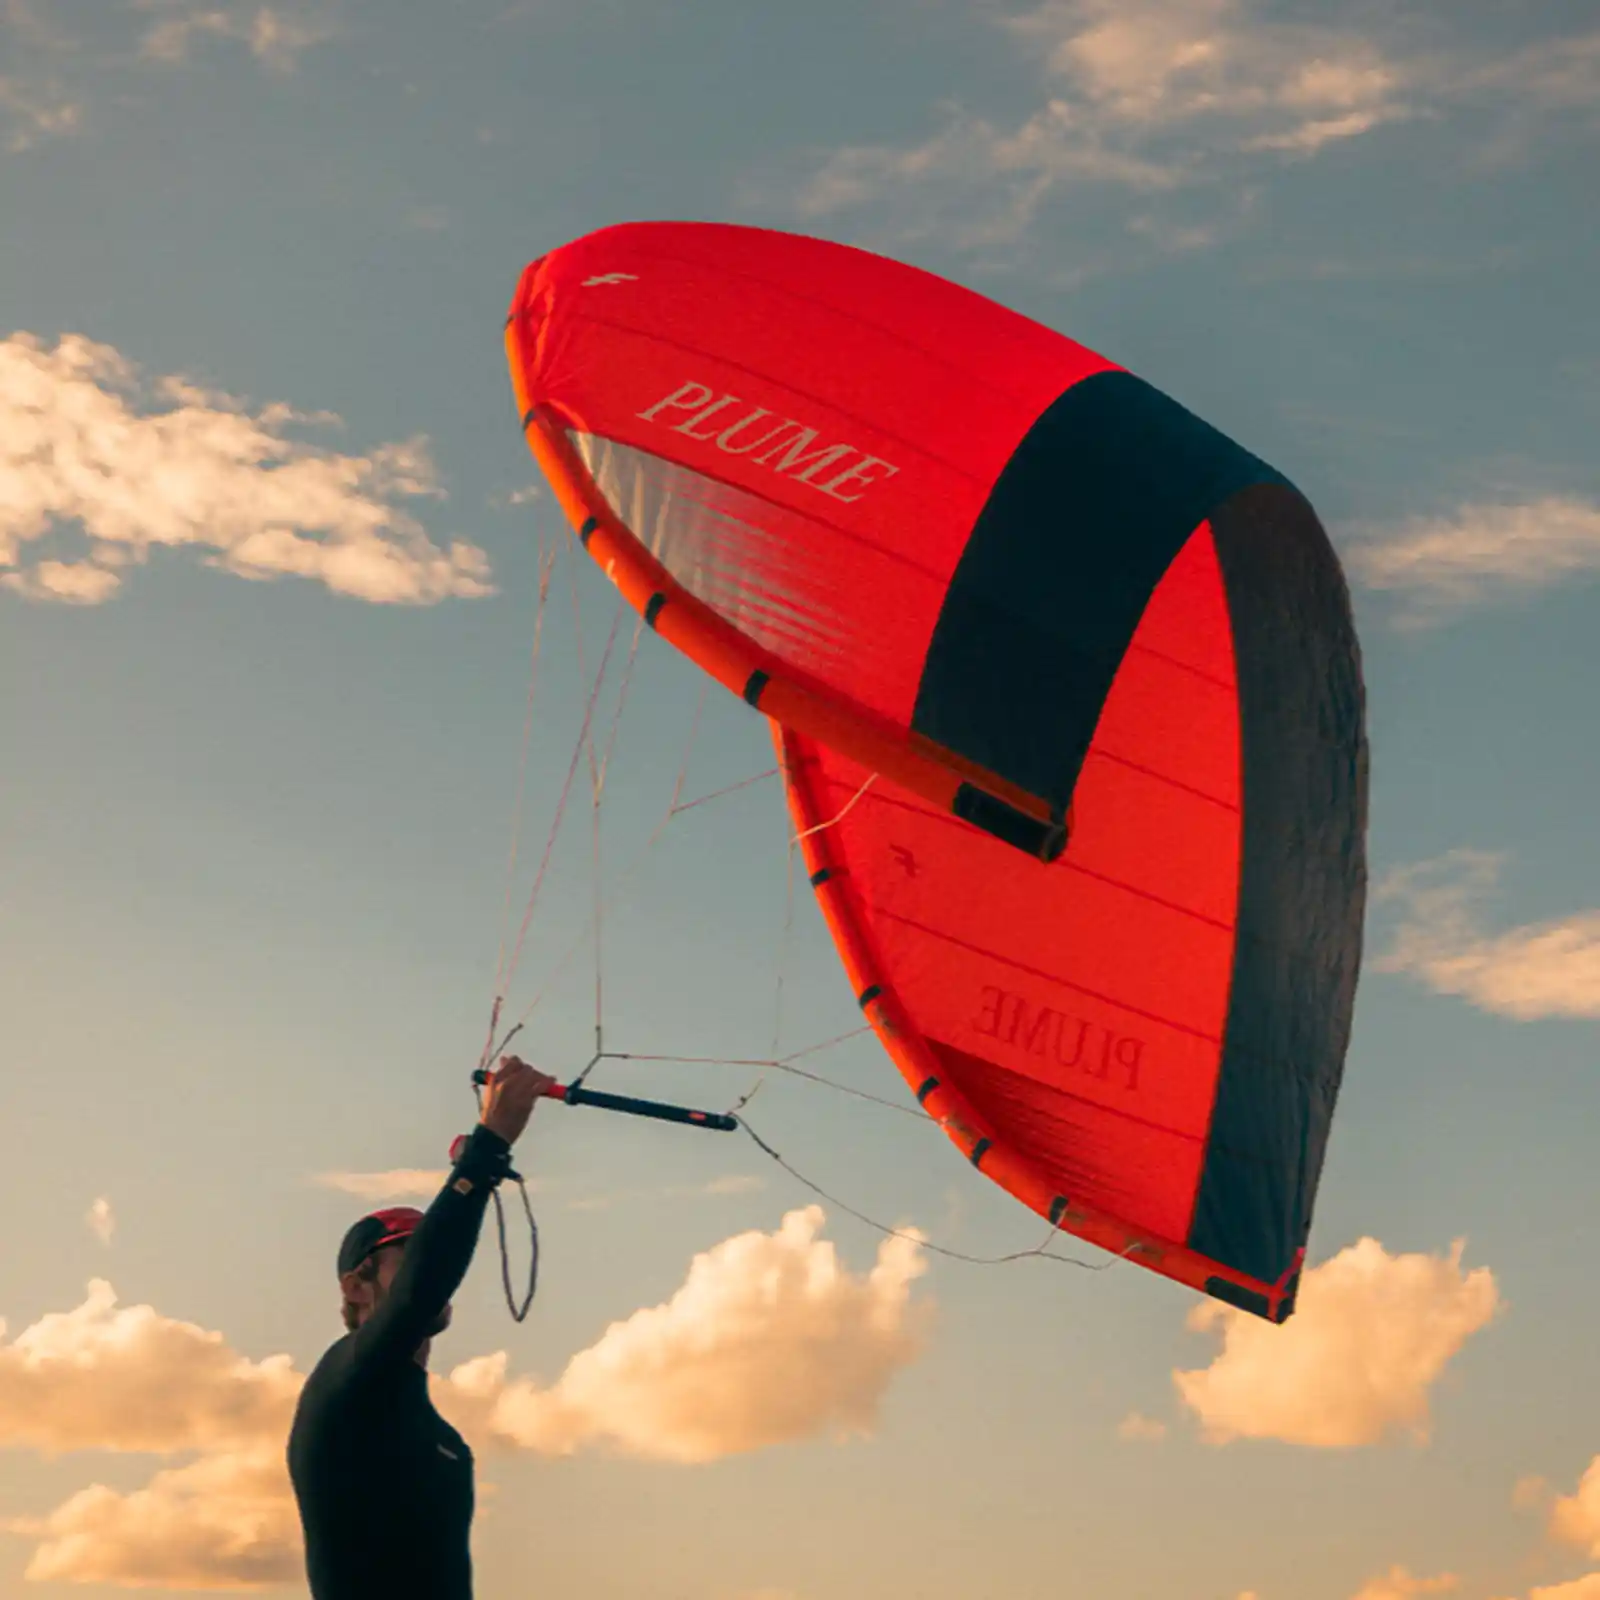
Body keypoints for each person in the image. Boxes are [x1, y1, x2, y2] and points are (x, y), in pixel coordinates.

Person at [287, 1055, 555, 1600]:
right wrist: (489, 1145)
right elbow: (418, 1293)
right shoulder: (346, 1382)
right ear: (356, 1288)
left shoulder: (440, 1433)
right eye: (404, 1259)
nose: (430, 1275)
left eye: (422, 1255)